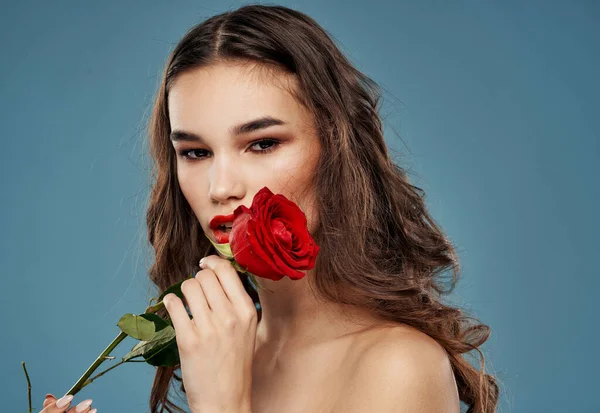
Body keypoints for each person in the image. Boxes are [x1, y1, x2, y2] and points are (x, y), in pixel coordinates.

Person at [42, 4, 499, 413]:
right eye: (196, 152)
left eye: (262, 144)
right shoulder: (218, 346)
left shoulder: (398, 367)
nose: (221, 187)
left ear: (336, 150)